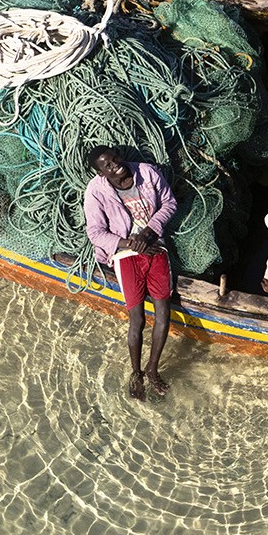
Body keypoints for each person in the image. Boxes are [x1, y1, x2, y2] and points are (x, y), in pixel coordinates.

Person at [82, 147, 178, 400]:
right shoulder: (96, 190)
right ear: (101, 173)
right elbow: (96, 233)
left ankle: (152, 369)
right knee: (137, 319)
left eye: (116, 159)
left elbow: (169, 203)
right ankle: (136, 372)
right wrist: (129, 243)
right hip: (125, 253)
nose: (116, 166)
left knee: (163, 313)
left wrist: (150, 231)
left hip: (155, 246)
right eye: (108, 166)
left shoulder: (146, 172)